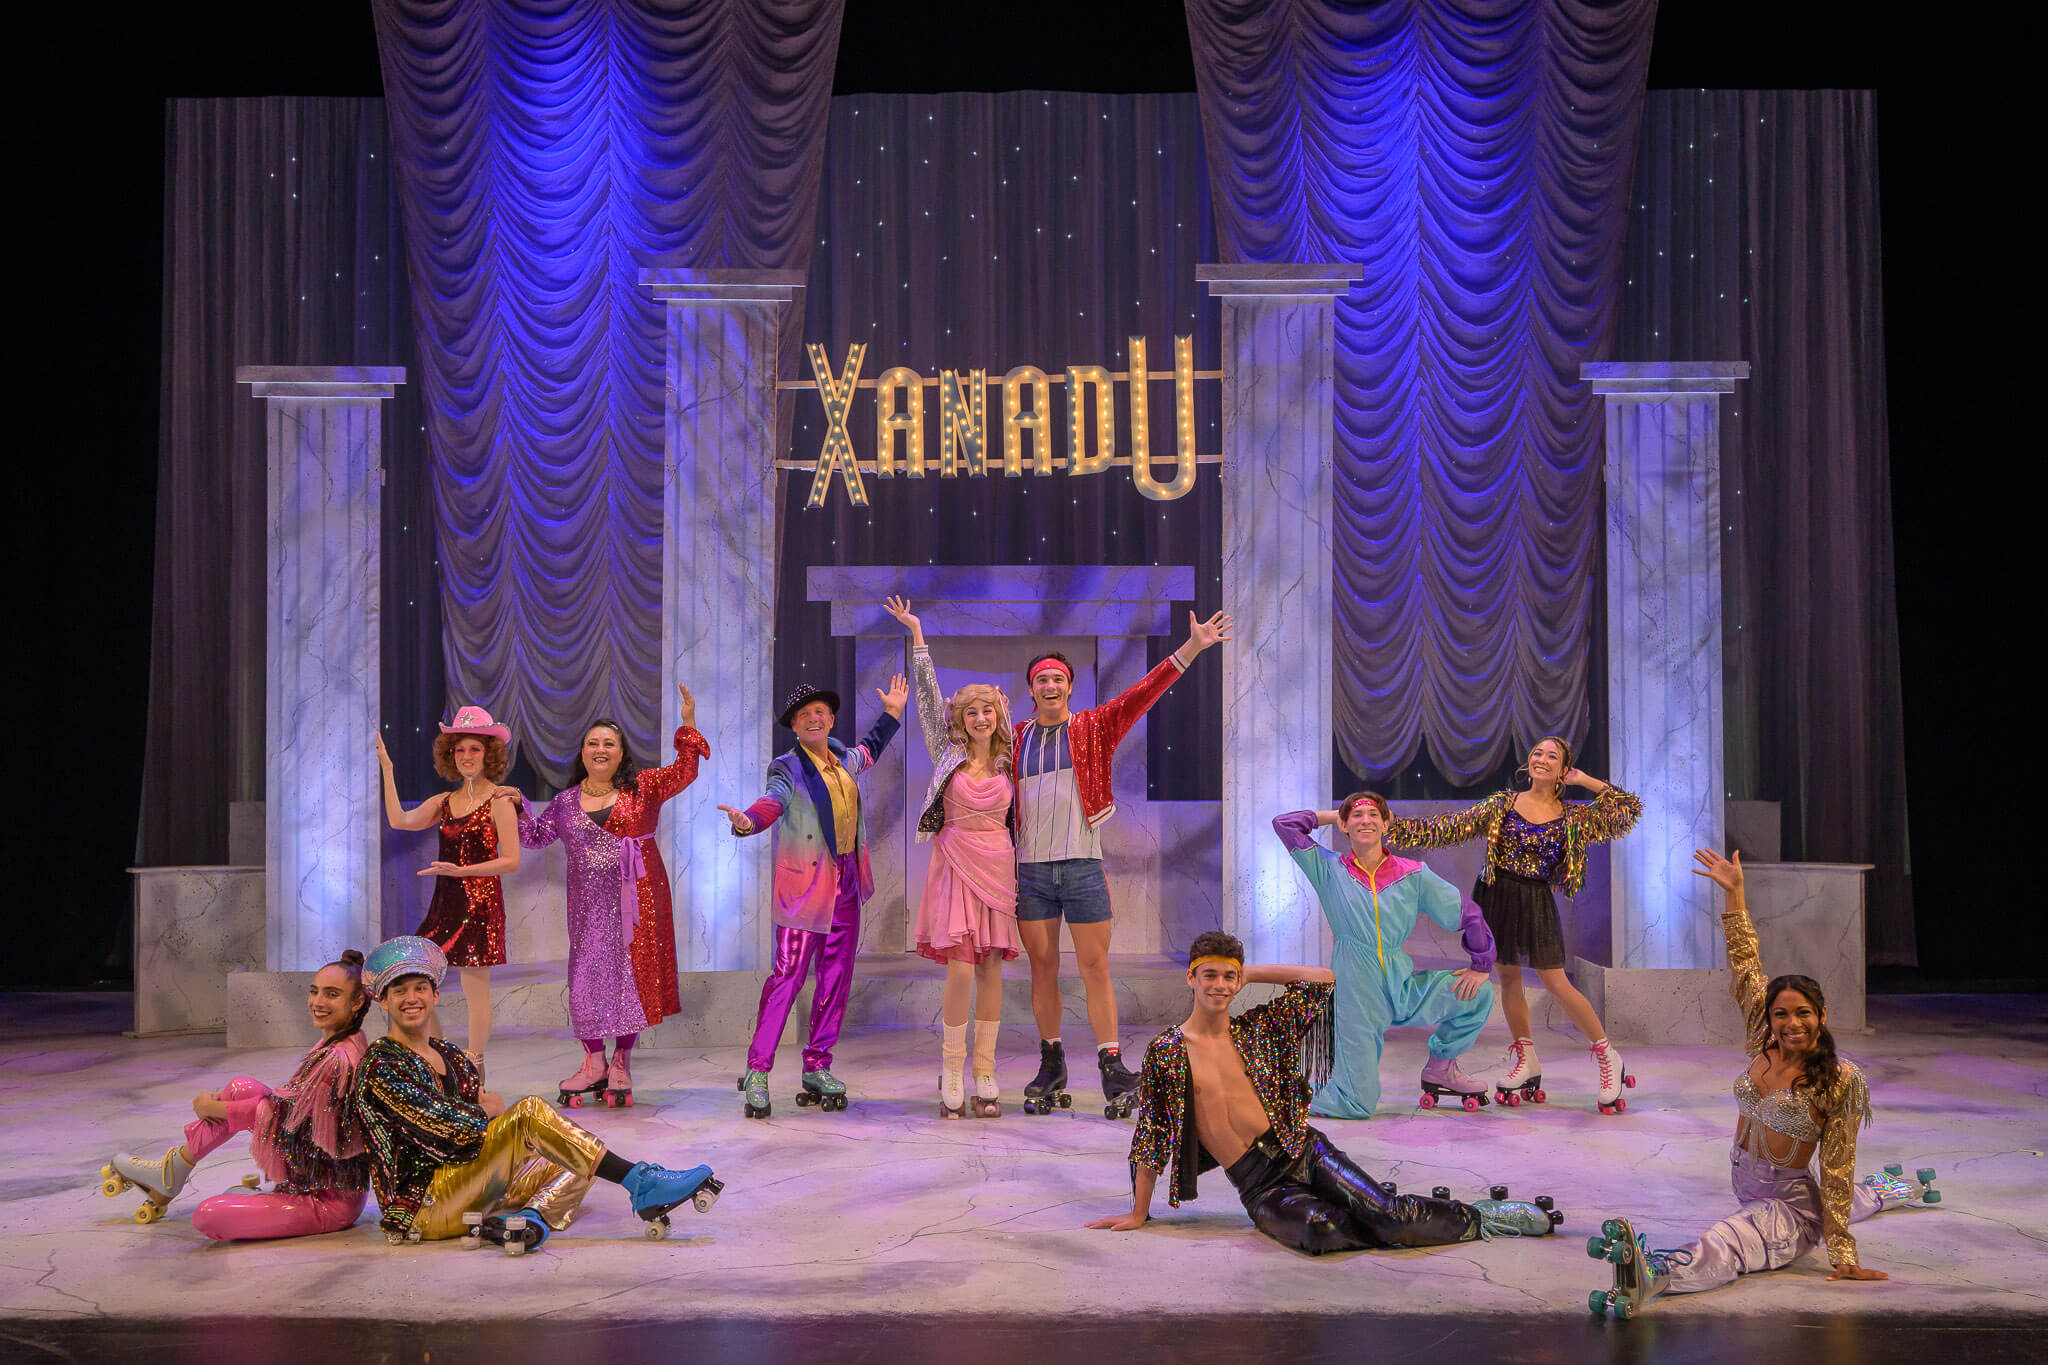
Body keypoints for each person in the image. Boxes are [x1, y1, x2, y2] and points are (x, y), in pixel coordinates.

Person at [1588, 849, 1941, 1317]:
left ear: (1822, 1015)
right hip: (1746, 1183)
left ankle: (1657, 1274)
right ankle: (1891, 1188)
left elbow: (1836, 1169)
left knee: (1729, 1240)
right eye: (1781, 1013)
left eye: (1803, 1013)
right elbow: (1746, 963)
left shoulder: (1840, 1079)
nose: (1792, 1023)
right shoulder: (1763, 1039)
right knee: (1843, 1198)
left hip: (1789, 1209)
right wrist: (1735, 893)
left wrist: (1843, 1253)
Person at [1084, 932, 1558, 1253]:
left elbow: (1323, 982)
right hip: (1260, 1185)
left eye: (1229, 976)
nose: (1220, 985)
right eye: (1210, 975)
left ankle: (1480, 1217)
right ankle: (1392, 1218)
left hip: (1304, 1150)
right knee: (1321, 1231)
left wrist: (1251, 972)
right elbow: (1152, 1135)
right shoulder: (1168, 1051)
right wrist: (1138, 1212)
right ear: (1191, 978)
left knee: (1388, 1214)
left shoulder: (1258, 1030)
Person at [351, 935, 721, 1246]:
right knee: (530, 1112)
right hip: (424, 1205)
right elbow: (444, 1126)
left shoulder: (448, 1053)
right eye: (399, 991)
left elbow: (473, 1132)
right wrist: (488, 1114)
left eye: (420, 988)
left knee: (576, 1155)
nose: (411, 998)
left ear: (435, 995)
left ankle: (528, 1221)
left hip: (467, 1183)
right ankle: (641, 1182)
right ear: (383, 1001)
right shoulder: (382, 1063)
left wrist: (494, 1125)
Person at [1012, 610, 1233, 1117]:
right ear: (1031, 690)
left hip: (1082, 866)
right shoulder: (1016, 738)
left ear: (1070, 687)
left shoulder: (1093, 727)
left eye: (1058, 679)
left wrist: (1192, 647)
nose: (1050, 685)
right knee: (1042, 967)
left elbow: (1142, 694)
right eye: (1042, 680)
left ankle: (1111, 1064)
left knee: (1094, 967)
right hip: (1031, 870)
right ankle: (1051, 1062)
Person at [1385, 736, 1643, 1112]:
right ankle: (1527, 1059)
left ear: (1563, 768)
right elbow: (1448, 828)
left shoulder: (1574, 816)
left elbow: (1627, 809)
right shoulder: (1503, 803)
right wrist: (1391, 827)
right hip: (1495, 895)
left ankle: (1609, 1058)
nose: (1541, 759)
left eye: (1552, 756)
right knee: (1508, 978)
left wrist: (1585, 780)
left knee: (1556, 982)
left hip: (1535, 900)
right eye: (1537, 752)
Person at [719, 675, 907, 1118]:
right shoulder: (787, 767)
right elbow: (772, 801)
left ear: (831, 719)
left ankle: (818, 1064)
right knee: (787, 977)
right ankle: (758, 1069)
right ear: (795, 726)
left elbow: (871, 749)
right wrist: (748, 821)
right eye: (804, 715)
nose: (814, 718)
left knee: (836, 976)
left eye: (820, 712)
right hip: (805, 886)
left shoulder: (843, 758)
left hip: (846, 881)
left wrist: (892, 713)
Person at [513, 685, 707, 1109]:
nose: (600, 749)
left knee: (629, 980)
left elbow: (685, 771)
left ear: (621, 754)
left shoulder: (644, 788)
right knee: (586, 980)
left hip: (639, 901)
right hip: (587, 910)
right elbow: (534, 836)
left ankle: (621, 1061)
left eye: (609, 744)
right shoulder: (565, 803)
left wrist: (688, 723)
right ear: (582, 753)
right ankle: (593, 1062)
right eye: (593, 743)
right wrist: (516, 805)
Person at [100, 951, 372, 1239]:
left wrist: (212, 1109)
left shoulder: (338, 1059)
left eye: (332, 994)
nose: (318, 1002)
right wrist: (220, 1108)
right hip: (311, 1169)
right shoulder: (342, 1039)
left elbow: (288, 1118)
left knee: (208, 1216)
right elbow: (291, 1109)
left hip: (326, 1198)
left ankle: (172, 1175)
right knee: (242, 1087)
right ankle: (172, 1171)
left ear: (357, 1002)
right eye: (314, 991)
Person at [1273, 797, 1495, 1117]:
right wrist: (1337, 814)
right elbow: (1285, 824)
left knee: (1479, 993)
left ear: (1386, 823)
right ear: (1344, 826)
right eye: (1357, 816)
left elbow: (1467, 913)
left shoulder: (1413, 875)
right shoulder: (1328, 868)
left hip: (1401, 986)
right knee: (1357, 1104)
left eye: (1373, 815)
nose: (1365, 820)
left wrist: (1481, 964)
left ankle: (1441, 1070)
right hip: (1356, 994)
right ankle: (1286, 1094)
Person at [885, 596, 1021, 1117]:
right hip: (956, 863)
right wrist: (917, 634)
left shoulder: (1011, 759)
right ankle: (952, 1067)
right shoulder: (949, 753)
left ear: (998, 715)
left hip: (998, 866)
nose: (981, 718)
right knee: (961, 969)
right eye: (971, 711)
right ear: (960, 719)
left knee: (992, 969)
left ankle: (985, 1068)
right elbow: (926, 698)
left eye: (988, 710)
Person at [377, 706, 521, 1064]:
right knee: (417, 973)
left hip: (480, 903)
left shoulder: (499, 800)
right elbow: (399, 820)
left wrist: (461, 871)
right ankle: (441, 1056)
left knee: (475, 989)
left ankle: (474, 1064)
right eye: (459, 749)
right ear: (450, 755)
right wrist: (388, 770)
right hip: (445, 903)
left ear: (489, 754)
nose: (466, 756)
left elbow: (511, 860)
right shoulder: (444, 802)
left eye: (474, 749)